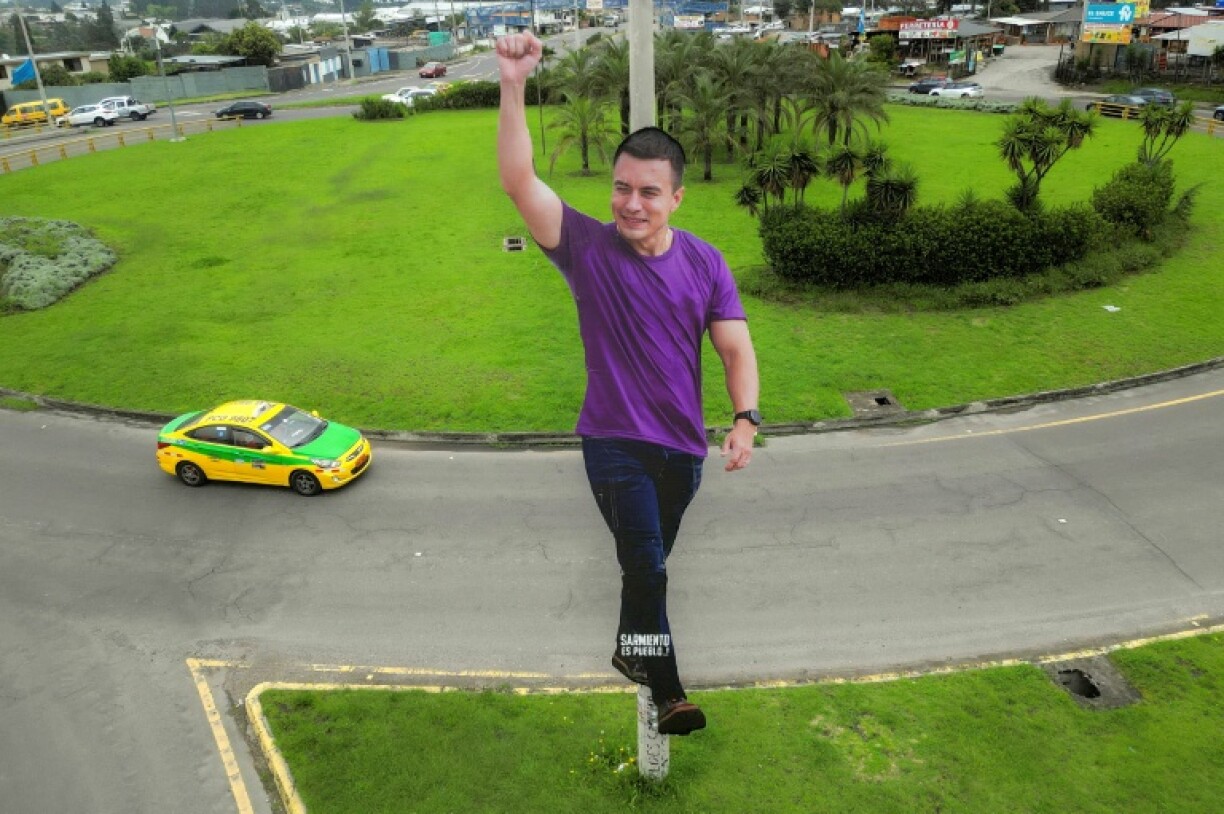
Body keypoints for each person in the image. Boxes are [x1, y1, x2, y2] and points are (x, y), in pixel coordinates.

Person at [496, 31, 760, 736]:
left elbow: (735, 348)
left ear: (675, 196)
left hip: (683, 451)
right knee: (648, 569)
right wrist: (514, 83)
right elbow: (520, 181)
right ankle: (669, 693)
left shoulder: (706, 262)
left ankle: (628, 649)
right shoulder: (584, 247)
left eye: (648, 191)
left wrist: (745, 419)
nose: (630, 203)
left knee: (643, 577)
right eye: (620, 187)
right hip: (612, 443)